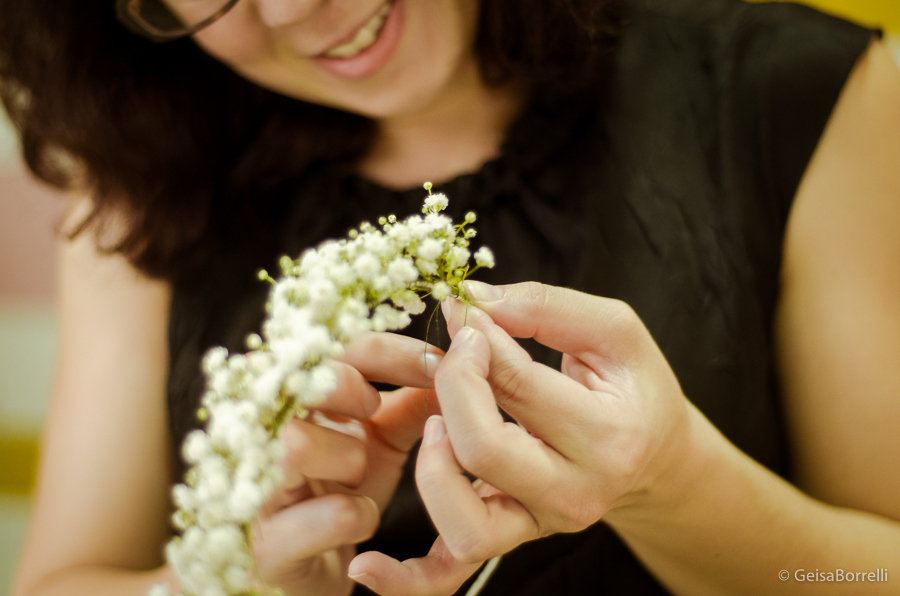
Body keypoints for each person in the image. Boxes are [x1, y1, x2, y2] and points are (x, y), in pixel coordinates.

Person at [2, 0, 899, 593]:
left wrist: (672, 483)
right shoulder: (144, 182)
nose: (290, 7)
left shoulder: (799, 93)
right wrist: (234, 579)